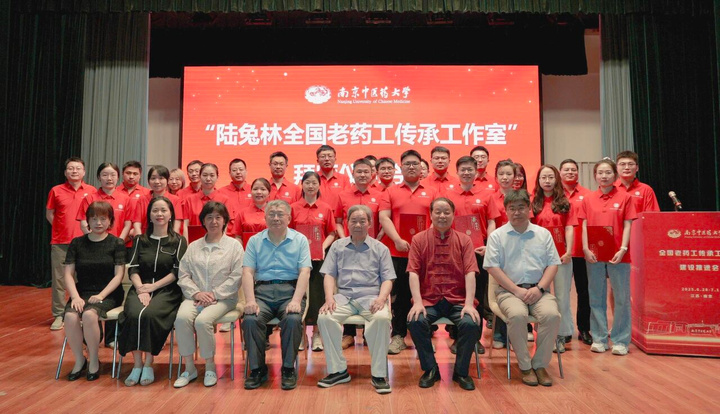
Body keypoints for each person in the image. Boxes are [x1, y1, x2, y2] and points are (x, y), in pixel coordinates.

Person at [484, 190, 561, 387]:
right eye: (512, 208)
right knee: (517, 315)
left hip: (539, 291)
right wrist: (516, 291)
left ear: (529, 208)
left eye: (521, 207)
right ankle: (525, 366)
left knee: (552, 315)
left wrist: (540, 289)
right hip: (508, 292)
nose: (517, 212)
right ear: (506, 211)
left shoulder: (543, 234)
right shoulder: (497, 236)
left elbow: (553, 264)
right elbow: (492, 267)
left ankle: (540, 365)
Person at [317, 205, 395, 394]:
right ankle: (338, 370)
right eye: (354, 221)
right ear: (347, 223)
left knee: (381, 319)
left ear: (370, 223)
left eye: (362, 221)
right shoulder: (337, 246)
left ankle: (378, 374)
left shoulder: (380, 248)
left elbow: (388, 279)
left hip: (372, 298)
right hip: (344, 297)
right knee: (325, 318)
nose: (358, 225)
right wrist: (329, 298)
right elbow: (329, 275)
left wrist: (382, 298)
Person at [407, 198, 481, 391]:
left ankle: (461, 372)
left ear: (453, 214)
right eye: (438, 212)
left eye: (446, 212)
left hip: (457, 300)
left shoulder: (464, 240)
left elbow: (470, 272)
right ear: (430, 214)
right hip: (429, 300)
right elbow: (413, 272)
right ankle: (430, 369)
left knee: (471, 323)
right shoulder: (419, 239)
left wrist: (469, 304)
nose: (442, 216)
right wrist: (417, 302)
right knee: (415, 321)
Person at [241, 200, 312, 391]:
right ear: (265, 218)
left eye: (280, 214)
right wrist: (250, 300)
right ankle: (257, 369)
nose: (276, 218)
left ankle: (288, 368)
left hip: (290, 291)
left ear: (289, 218)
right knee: (250, 319)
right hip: (262, 292)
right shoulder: (255, 241)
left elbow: (305, 272)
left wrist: (296, 300)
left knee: (292, 319)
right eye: (271, 214)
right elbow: (247, 272)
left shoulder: (300, 240)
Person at [173, 201, 244, 388]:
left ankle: (210, 367)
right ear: (203, 221)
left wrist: (213, 294)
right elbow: (183, 274)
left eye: (218, 217)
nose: (214, 221)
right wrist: (197, 293)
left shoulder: (234, 246)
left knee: (202, 321)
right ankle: (189, 368)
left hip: (224, 298)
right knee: (181, 319)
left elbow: (237, 276)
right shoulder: (193, 246)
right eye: (209, 217)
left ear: (225, 221)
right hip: (196, 297)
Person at [119, 196, 187, 386]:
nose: (159, 214)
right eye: (155, 210)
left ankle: (149, 363)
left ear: (171, 215)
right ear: (149, 215)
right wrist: (141, 289)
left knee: (149, 314)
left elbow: (177, 271)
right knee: (133, 314)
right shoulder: (140, 240)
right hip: (140, 287)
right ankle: (137, 365)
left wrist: (154, 287)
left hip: (167, 290)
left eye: (163, 210)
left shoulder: (179, 241)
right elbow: (133, 268)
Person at [379, 149, 440, 354]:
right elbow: (384, 217)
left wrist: (425, 240)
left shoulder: (432, 191)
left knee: (424, 295)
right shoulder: (391, 191)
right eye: (407, 164)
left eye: (415, 163)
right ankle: (398, 335)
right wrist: (397, 240)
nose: (411, 167)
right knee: (399, 297)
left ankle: (423, 337)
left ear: (421, 167)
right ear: (401, 167)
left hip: (425, 253)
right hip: (397, 252)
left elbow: (437, 217)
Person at [62, 201, 126, 381]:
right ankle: (80, 359)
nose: (98, 223)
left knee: (90, 315)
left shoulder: (117, 243)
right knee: (70, 316)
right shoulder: (77, 243)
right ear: (87, 221)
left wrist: (101, 295)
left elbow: (118, 276)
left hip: (108, 293)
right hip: (82, 292)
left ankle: (94, 360)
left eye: (103, 219)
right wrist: (75, 296)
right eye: (94, 218)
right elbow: (68, 274)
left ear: (110, 221)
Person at [579, 159, 637, 356]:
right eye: (600, 173)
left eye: (608, 173)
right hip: (594, 254)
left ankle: (621, 340)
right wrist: (585, 248)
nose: (604, 176)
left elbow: (628, 224)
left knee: (621, 298)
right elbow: (584, 225)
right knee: (596, 297)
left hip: (619, 254)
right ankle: (599, 338)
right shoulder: (588, 199)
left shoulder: (625, 197)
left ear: (615, 175)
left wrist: (623, 248)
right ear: (595, 176)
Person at [445, 156, 500, 354]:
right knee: (455, 294)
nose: (467, 173)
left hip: (479, 251)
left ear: (476, 171)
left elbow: (492, 222)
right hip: (454, 251)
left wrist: (489, 245)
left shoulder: (487, 194)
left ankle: (475, 338)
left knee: (477, 295)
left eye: (470, 169)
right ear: (457, 172)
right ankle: (457, 337)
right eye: (463, 169)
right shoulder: (448, 194)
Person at [531, 165, 577, 353]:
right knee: (540, 296)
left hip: (561, 257)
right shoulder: (533, 203)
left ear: (556, 179)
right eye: (544, 177)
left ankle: (561, 335)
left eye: (551, 177)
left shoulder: (564, 202)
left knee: (561, 297)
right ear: (538, 181)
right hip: (538, 258)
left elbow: (569, 228)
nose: (547, 181)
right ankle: (543, 334)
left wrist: (569, 251)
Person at [47, 157, 96, 330]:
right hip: (60, 242)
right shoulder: (56, 190)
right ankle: (59, 315)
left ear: (84, 172)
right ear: (65, 172)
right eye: (70, 168)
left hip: (85, 243)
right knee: (59, 280)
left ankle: (81, 312)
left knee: (83, 279)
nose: (74, 171)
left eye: (78, 168)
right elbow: (50, 214)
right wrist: (60, 228)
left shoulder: (92, 191)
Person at [290, 171, 337, 352]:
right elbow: (289, 232)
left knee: (317, 295)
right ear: (302, 185)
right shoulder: (293, 208)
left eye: (314, 183)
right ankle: (301, 335)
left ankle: (316, 334)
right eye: (307, 182)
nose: (310, 186)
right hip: (297, 260)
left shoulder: (326, 208)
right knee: (300, 295)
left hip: (319, 259)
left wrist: (322, 247)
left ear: (319, 185)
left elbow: (332, 232)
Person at [559, 159, 593, 345]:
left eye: (573, 170)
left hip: (581, 251)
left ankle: (584, 329)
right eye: (566, 170)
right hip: (561, 253)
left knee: (584, 291)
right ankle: (564, 330)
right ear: (560, 172)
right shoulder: (556, 195)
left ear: (578, 173)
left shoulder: (587, 195)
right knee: (562, 293)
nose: (570, 172)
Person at [77, 162, 130, 243]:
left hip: (118, 244)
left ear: (118, 177)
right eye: (105, 175)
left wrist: (119, 242)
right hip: (94, 244)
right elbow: (84, 223)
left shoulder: (126, 199)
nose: (109, 178)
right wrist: (94, 240)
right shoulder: (89, 198)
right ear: (99, 177)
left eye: (113, 175)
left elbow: (128, 224)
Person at [129, 165, 184, 235]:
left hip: (169, 238)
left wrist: (172, 239)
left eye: (161, 178)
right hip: (146, 238)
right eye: (153, 178)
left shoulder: (175, 200)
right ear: (148, 181)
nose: (157, 182)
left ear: (167, 180)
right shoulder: (142, 199)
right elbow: (137, 223)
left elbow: (176, 226)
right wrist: (139, 238)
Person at [182, 163, 231, 236]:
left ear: (217, 177)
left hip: (218, 240)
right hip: (195, 239)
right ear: (200, 176)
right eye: (205, 175)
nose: (208, 179)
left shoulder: (224, 199)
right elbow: (185, 225)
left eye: (212, 175)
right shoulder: (189, 200)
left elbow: (225, 225)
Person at [233, 178, 271, 245]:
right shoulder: (242, 213)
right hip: (247, 250)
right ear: (251, 192)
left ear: (269, 193)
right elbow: (238, 237)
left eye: (263, 189)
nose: (259, 192)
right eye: (255, 189)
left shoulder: (273, 213)